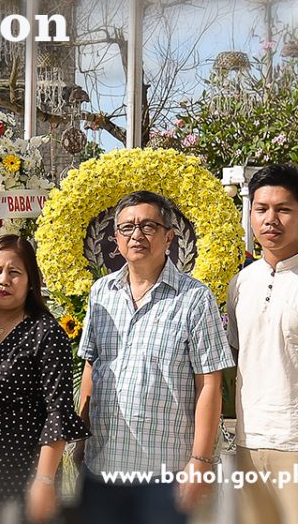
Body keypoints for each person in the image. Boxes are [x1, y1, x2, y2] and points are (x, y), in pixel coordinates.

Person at [76, 191, 233, 523]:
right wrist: (80, 438)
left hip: (166, 474)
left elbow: (209, 384)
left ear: (169, 237)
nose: (137, 235)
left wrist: (201, 462)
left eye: (148, 225)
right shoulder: (101, 293)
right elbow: (92, 364)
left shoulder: (194, 298)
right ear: (116, 238)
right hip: (102, 468)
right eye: (127, 227)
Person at [0, 234, 89, 524]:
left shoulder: (45, 333)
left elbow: (58, 412)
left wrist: (43, 480)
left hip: (24, 474)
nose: (4, 280)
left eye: (15, 272)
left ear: (31, 280)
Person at [226, 164, 298, 524]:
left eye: (283, 209)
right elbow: (239, 356)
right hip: (249, 442)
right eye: (262, 209)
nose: (271, 219)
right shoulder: (240, 284)